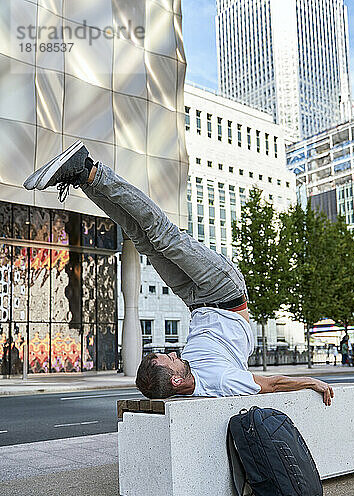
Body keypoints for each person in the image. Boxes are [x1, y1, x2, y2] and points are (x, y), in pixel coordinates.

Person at [24, 141, 334, 406]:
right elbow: (273, 385)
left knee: (142, 240)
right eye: (169, 359)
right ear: (175, 380)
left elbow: (157, 388)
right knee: (163, 235)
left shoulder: (180, 387)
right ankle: (92, 169)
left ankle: (83, 179)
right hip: (224, 291)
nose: (174, 352)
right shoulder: (222, 381)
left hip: (194, 300)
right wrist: (308, 381)